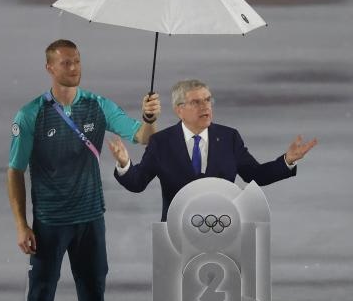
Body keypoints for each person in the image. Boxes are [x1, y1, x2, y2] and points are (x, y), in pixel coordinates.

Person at [7, 39, 161, 301]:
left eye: (77, 61)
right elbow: (15, 171)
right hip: (49, 222)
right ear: (49, 68)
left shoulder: (97, 105)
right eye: (65, 62)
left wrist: (150, 118)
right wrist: (21, 224)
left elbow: (142, 137)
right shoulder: (30, 115)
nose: (73, 67)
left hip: (91, 219)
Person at [108, 78, 317, 221]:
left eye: (208, 100)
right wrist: (124, 164)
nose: (205, 106)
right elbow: (138, 182)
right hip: (176, 233)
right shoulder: (162, 142)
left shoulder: (229, 138)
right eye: (196, 102)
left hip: (224, 230)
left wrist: (287, 160)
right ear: (179, 110)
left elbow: (256, 175)